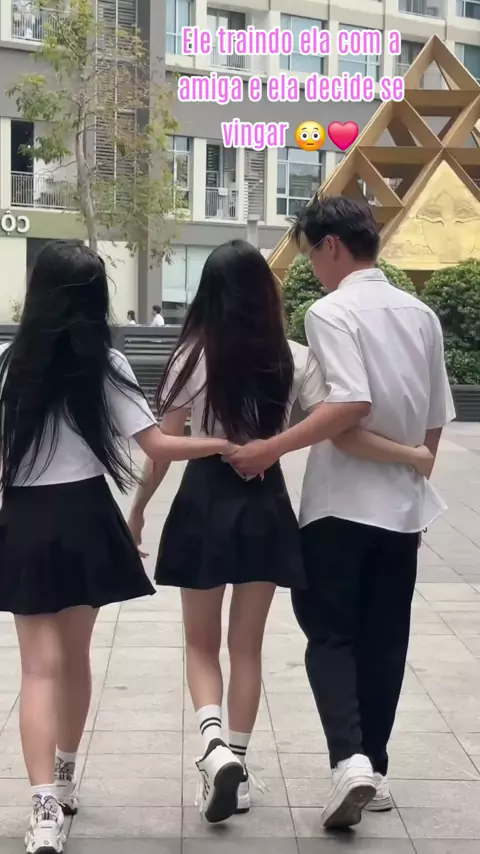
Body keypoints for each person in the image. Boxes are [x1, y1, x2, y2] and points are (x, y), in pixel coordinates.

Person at [128, 238, 434, 826]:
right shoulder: (292, 357)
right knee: (247, 647)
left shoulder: (191, 354)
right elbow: (337, 418)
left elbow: (161, 447)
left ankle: (213, 745)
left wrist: (140, 507)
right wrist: (275, 445)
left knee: (200, 644)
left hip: (203, 500)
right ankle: (238, 765)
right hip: (266, 505)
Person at [0, 240, 239, 854]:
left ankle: (43, 812)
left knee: (37, 667)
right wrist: (220, 443)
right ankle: (65, 776)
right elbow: (157, 446)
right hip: (85, 518)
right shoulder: (106, 364)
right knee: (75, 657)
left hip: (25, 518)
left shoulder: (9, 364)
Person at [226, 198, 455, 830]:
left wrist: (273, 446)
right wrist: (416, 465)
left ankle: (349, 760)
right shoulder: (422, 314)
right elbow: (436, 414)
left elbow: (348, 408)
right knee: (385, 640)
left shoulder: (330, 312)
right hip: (401, 514)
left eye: (310, 254)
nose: (312, 269)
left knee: (330, 635)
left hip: (340, 507)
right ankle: (373, 770)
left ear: (331, 245)